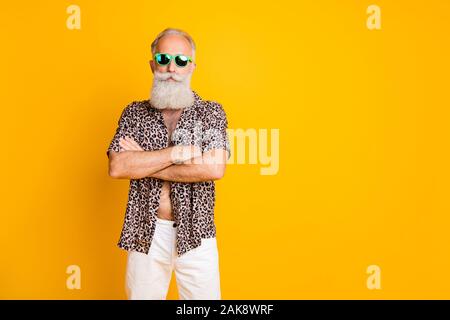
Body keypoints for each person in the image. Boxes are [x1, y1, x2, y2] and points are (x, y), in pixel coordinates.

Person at [106, 28, 230, 300]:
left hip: (198, 231)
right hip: (144, 232)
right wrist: (177, 153)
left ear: (192, 67)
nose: (171, 68)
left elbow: (213, 169)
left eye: (181, 61)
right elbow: (117, 167)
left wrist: (143, 161)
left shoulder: (211, 112)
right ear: (153, 64)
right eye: (163, 59)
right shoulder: (134, 113)